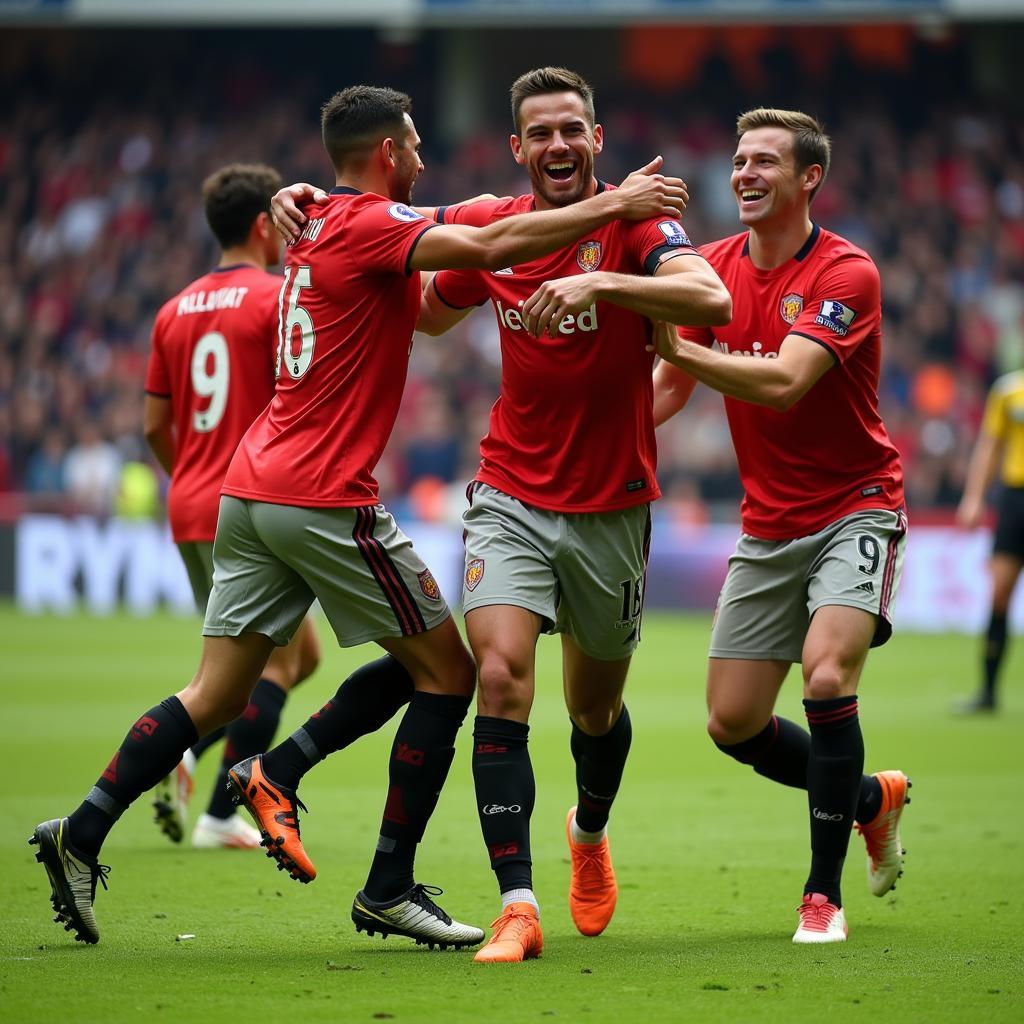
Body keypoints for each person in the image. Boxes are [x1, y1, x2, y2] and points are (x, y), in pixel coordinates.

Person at [29, 83, 687, 950]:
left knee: (217, 693)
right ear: (386, 154)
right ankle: (382, 879)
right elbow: (487, 236)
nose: (421, 159)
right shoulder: (375, 225)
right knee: (451, 674)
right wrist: (617, 201)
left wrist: (291, 192)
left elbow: (471, 231)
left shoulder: (321, 224)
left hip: (249, 488)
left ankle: (81, 831)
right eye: (412, 146)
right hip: (322, 497)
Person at [271, 66, 730, 964]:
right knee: (502, 677)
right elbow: (425, 310)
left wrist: (605, 290)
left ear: (596, 138)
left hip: (611, 509)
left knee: (595, 712)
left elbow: (709, 300)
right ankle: (518, 905)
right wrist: (314, 208)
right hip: (510, 496)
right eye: (541, 134)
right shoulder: (497, 229)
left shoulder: (640, 223)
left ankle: (588, 835)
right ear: (518, 148)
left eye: (573, 130)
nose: (559, 146)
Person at [652, 108, 912, 944]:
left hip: (855, 505)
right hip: (768, 524)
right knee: (731, 723)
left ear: (810, 180)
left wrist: (677, 349)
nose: (746, 172)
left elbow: (785, 382)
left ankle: (822, 896)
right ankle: (871, 799)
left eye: (767, 160)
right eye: (738, 159)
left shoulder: (848, 272)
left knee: (828, 676)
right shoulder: (714, 270)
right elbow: (667, 387)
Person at [143, 164, 321, 851]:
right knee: (270, 667)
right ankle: (213, 803)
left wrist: (188, 473)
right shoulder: (276, 299)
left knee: (291, 659)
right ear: (261, 225)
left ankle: (187, 760)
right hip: (252, 505)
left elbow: (155, 425)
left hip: (190, 503)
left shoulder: (172, 309)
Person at [955, 369, 1024, 712]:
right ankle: (988, 692)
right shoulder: (1009, 391)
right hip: (1015, 501)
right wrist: (974, 498)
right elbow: (989, 446)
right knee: (999, 595)